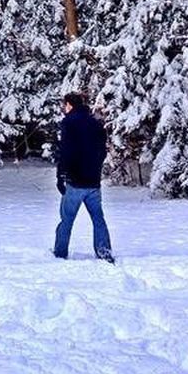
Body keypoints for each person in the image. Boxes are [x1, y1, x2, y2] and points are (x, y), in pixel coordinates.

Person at [53, 92, 114, 263]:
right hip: (94, 181)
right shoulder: (96, 123)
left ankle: (60, 252)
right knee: (98, 219)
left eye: (64, 105)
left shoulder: (69, 122)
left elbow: (66, 150)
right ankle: (104, 252)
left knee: (67, 219)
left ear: (70, 105)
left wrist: (61, 174)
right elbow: (102, 150)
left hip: (75, 181)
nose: (63, 108)